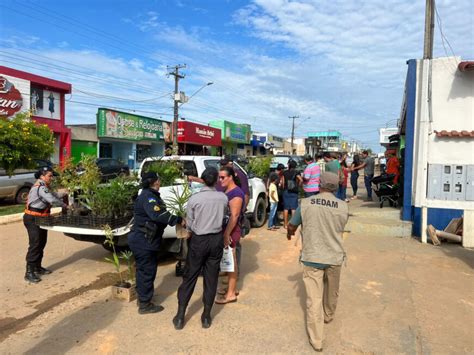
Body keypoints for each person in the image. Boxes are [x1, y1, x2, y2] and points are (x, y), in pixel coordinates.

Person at [287, 172, 349, 352]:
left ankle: (317, 340)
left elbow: (292, 225)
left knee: (313, 300)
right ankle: (328, 315)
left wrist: (290, 233)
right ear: (336, 187)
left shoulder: (306, 204)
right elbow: (340, 227)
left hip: (312, 256)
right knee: (332, 291)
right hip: (334, 256)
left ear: (319, 185)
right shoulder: (343, 206)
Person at [173, 167, 228, 330]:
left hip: (199, 240)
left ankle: (180, 316)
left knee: (190, 277)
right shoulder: (223, 198)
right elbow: (225, 217)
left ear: (202, 180)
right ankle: (206, 316)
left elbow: (189, 224)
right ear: (217, 180)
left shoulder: (194, 199)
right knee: (211, 279)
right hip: (216, 240)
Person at [128, 172, 183, 314]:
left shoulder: (148, 195)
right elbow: (157, 214)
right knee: (147, 271)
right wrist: (177, 219)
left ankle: (143, 297)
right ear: (155, 182)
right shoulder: (149, 197)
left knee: (143, 270)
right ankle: (145, 305)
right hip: (143, 240)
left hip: (143, 239)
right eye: (158, 180)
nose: (160, 182)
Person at [23, 167, 68, 283]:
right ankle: (29, 272)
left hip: (41, 218)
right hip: (32, 218)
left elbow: (55, 194)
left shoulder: (45, 187)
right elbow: (52, 200)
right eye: (50, 176)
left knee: (42, 242)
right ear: (42, 176)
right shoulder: (41, 187)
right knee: (35, 243)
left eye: (52, 176)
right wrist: (65, 206)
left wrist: (66, 191)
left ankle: (37, 267)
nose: (52, 178)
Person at [215, 166, 245, 304]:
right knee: (228, 260)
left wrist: (227, 234)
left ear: (231, 177)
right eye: (219, 177)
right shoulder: (228, 190)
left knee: (231, 261)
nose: (220, 180)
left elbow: (235, 216)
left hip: (232, 231)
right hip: (226, 230)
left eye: (222, 177)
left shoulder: (237, 193)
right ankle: (231, 288)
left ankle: (231, 294)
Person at [281, 160, 302, 229]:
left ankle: (285, 224)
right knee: (293, 208)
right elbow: (301, 180)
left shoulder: (284, 172)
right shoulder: (296, 172)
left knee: (286, 208)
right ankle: (293, 224)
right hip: (294, 192)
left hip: (286, 191)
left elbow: (283, 183)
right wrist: (298, 185)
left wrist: (283, 188)